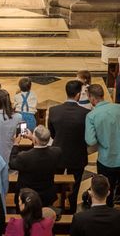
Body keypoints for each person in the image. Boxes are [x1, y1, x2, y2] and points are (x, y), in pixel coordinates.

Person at [47, 80, 90, 212]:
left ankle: (54, 207)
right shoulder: (85, 113)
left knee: (54, 180)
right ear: (78, 95)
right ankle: (71, 209)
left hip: (58, 151)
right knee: (75, 184)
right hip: (77, 153)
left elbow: (52, 132)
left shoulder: (54, 110)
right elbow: (87, 135)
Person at [9, 125, 62, 209]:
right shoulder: (56, 152)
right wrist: (33, 138)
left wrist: (15, 144)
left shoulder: (24, 157)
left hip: (27, 196)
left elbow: (12, 163)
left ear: (36, 139)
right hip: (46, 195)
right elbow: (41, 148)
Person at [85, 83, 120, 206]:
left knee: (106, 192)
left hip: (107, 160)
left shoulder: (91, 116)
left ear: (92, 98)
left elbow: (91, 141)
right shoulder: (118, 107)